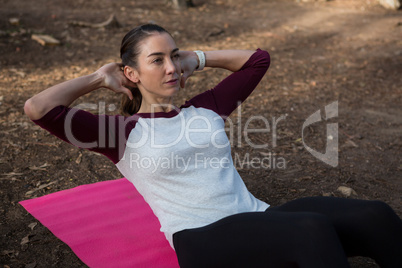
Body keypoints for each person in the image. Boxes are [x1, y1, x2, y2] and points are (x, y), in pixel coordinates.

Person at [24, 24, 402, 268]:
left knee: (375, 215)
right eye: (157, 60)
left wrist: (198, 58)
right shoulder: (120, 133)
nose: (171, 67)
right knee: (311, 230)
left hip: (256, 215)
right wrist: (97, 77)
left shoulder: (204, 108)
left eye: (174, 56)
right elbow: (38, 108)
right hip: (200, 239)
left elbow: (258, 61)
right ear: (131, 74)